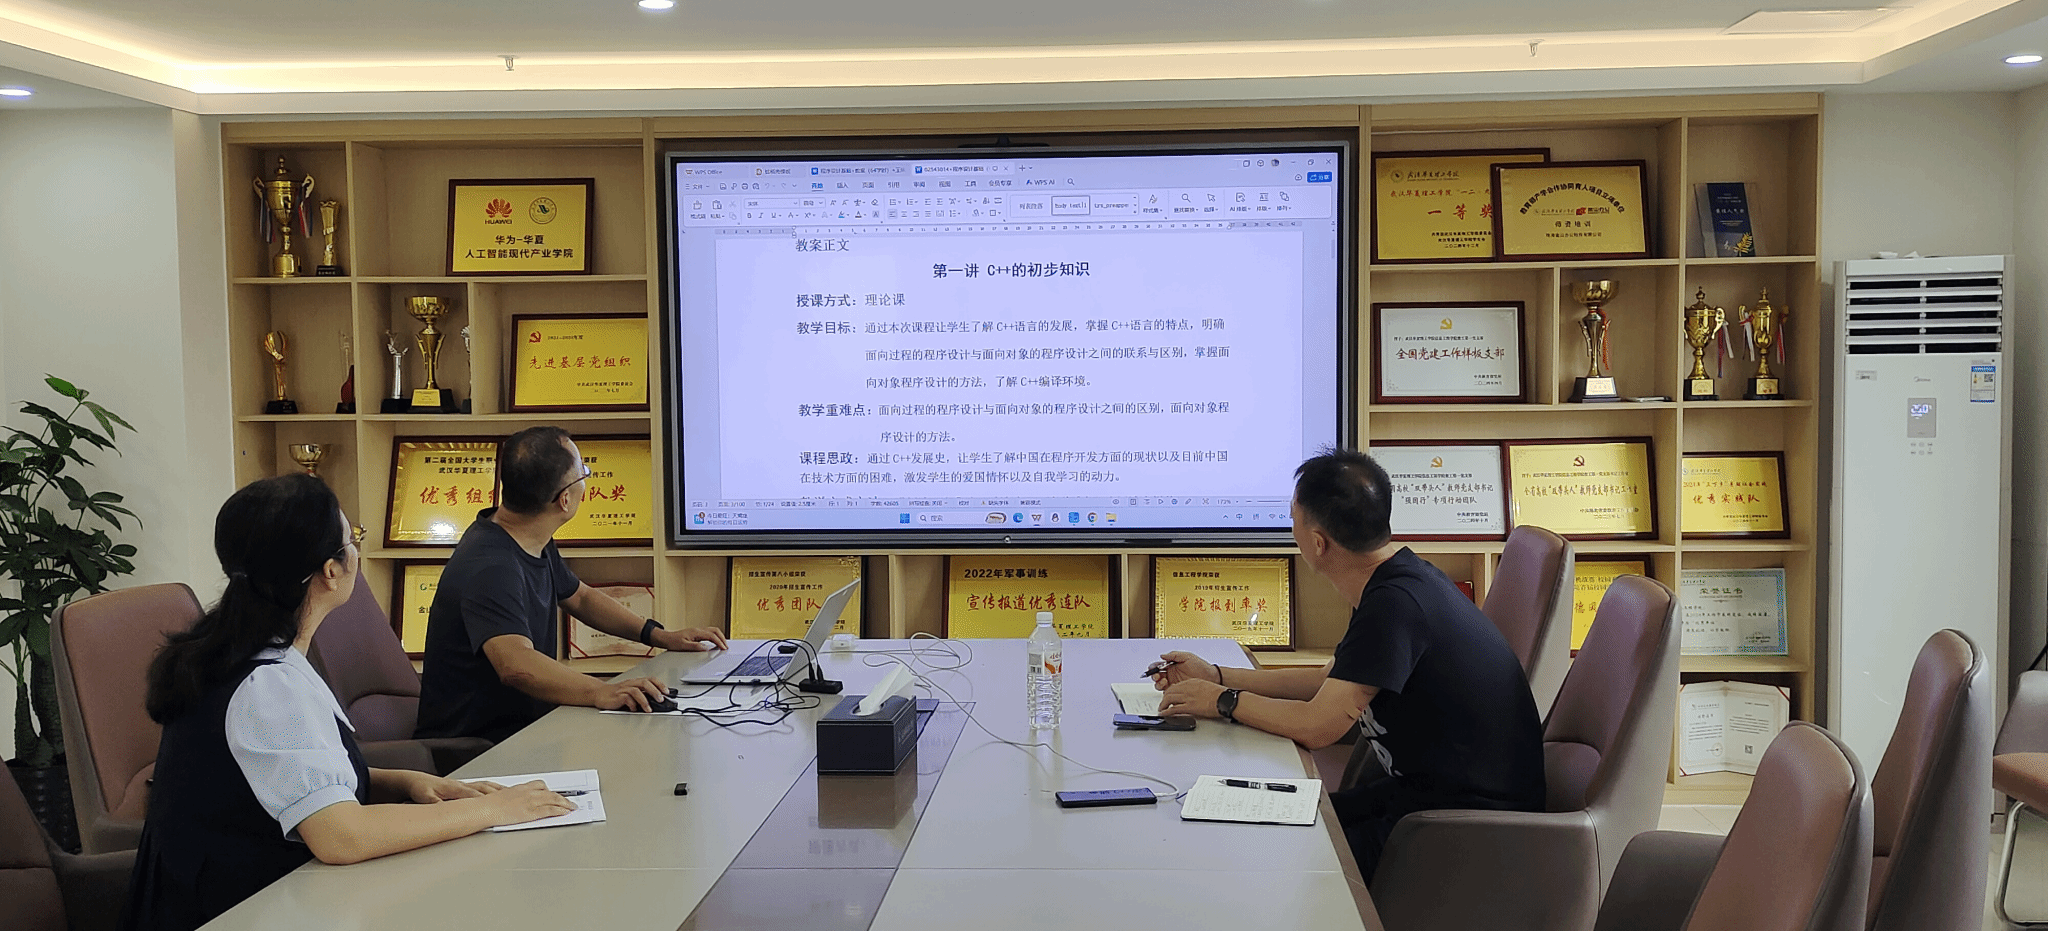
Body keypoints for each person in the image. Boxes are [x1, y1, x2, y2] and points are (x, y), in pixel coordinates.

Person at [124, 474, 575, 931]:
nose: (356, 551)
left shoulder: (239, 653)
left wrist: (403, 781)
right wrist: (494, 810)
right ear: (330, 571)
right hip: (236, 911)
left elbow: (275, 775)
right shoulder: (268, 686)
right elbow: (341, 838)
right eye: (351, 540)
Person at [1152, 448, 1545, 882]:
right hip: (1425, 797)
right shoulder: (1396, 579)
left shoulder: (1395, 607)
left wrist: (1222, 701)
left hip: (1467, 828)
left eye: (1293, 519)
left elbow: (1317, 727)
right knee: (1273, 820)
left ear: (1318, 543)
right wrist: (1216, 675)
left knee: (1272, 854)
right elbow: (1329, 682)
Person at [415, 426, 728, 743]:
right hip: (476, 750)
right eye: (584, 474)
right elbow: (515, 664)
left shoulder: (524, 534)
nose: (586, 482)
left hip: (526, 733)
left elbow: (580, 598)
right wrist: (602, 691)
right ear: (565, 500)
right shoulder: (491, 566)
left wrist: (661, 636)